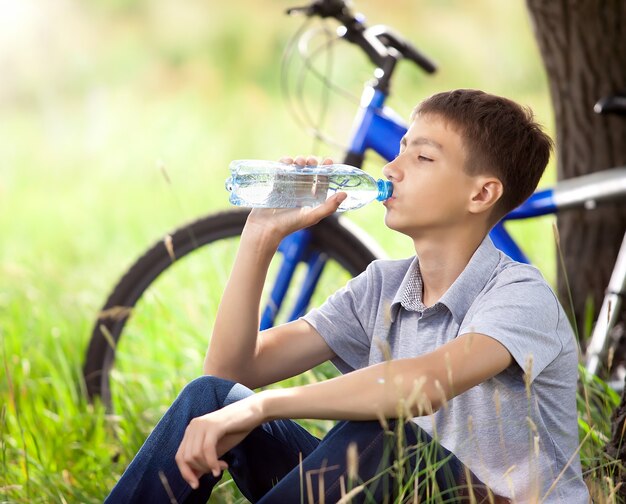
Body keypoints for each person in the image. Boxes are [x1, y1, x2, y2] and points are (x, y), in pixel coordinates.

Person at [105, 89, 590, 503]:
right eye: (399, 150)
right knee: (208, 396)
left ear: (481, 195)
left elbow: (421, 386)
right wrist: (260, 238)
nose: (392, 168)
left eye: (421, 158)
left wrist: (263, 406)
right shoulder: (382, 285)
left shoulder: (520, 293)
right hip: (397, 488)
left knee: (380, 434)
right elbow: (230, 372)